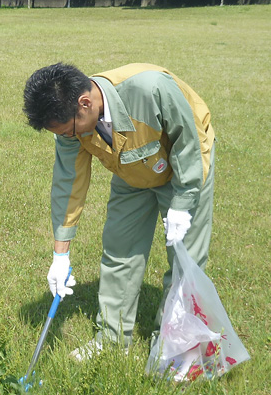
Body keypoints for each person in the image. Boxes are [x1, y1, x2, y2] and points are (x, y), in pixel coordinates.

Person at [22, 63, 215, 361]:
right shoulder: (71, 126)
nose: (67, 137)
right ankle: (112, 339)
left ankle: (173, 343)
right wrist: (60, 255)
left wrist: (183, 201)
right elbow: (68, 184)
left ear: (84, 104)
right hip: (130, 171)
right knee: (119, 250)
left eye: (67, 131)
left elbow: (189, 143)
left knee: (184, 259)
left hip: (183, 165)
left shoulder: (150, 89)